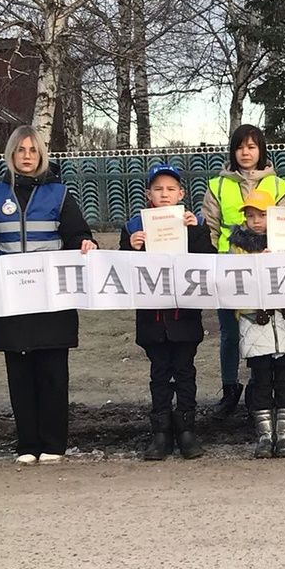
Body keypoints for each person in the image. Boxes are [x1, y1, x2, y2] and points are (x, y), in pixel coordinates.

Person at [0, 125, 96, 464]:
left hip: (52, 297)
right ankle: (27, 443)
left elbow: (77, 234)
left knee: (53, 371)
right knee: (19, 372)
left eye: (33, 151)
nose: (27, 157)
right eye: (20, 151)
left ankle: (54, 444)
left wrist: (86, 244)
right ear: (11, 155)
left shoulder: (59, 193)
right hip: (9, 296)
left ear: (41, 155)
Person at [119, 163, 210, 461]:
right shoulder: (133, 226)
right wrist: (131, 248)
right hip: (152, 319)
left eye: (171, 189)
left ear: (181, 193)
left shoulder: (194, 223)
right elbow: (121, 272)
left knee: (185, 372)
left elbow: (208, 262)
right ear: (148, 194)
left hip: (184, 316)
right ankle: (160, 432)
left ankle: (186, 430)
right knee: (159, 374)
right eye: (158, 189)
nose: (165, 194)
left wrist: (195, 232)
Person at [203, 124, 285, 420]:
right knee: (230, 332)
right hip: (231, 268)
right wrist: (221, 259)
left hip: (268, 269)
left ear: (261, 150)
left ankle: (259, 387)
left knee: (265, 327)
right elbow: (211, 229)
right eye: (240, 146)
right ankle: (230, 388)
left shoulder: (279, 186)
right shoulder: (217, 185)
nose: (246, 152)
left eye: (252, 147)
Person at [230, 188, 285, 459]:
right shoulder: (237, 246)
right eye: (251, 216)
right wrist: (255, 263)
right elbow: (233, 279)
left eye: (262, 215)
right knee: (260, 381)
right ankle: (264, 436)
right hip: (254, 322)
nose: (256, 221)